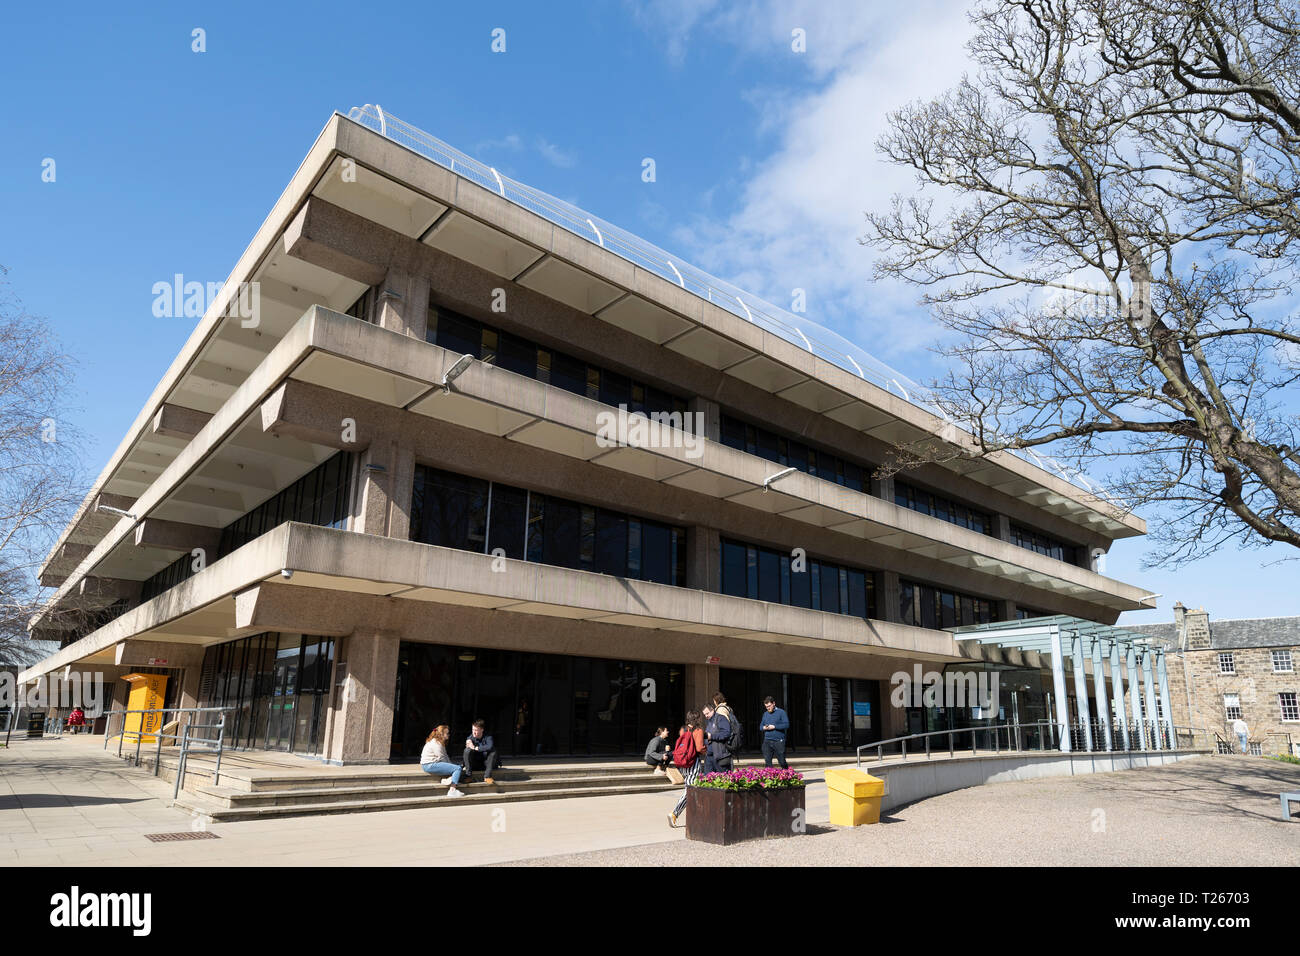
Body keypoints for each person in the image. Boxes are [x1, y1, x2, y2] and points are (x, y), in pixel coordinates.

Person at [668, 711, 706, 828]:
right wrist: (707, 750)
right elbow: (699, 748)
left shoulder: (684, 729)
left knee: (693, 789)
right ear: (697, 719)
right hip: (692, 763)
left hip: (682, 763)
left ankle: (696, 816)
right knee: (689, 791)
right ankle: (674, 813)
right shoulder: (698, 730)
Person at [420, 725, 466, 797]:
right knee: (457, 768)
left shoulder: (440, 743)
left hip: (432, 764)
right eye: (447, 733)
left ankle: (447, 780)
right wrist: (453, 767)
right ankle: (452, 790)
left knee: (456, 767)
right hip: (429, 765)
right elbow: (442, 758)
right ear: (441, 734)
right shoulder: (436, 743)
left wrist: (451, 766)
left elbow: (445, 756)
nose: (449, 735)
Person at [462, 719, 498, 784]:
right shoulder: (471, 737)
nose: (474, 732)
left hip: (486, 764)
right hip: (475, 764)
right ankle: (468, 776)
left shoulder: (488, 737)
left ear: (482, 730)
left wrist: (476, 748)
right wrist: (468, 743)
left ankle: (487, 777)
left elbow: (489, 746)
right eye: (473, 730)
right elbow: (468, 743)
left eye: (476, 730)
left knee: (493, 751)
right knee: (467, 750)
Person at [703, 699, 733, 774]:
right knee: (707, 780)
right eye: (704, 714)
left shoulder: (721, 718)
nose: (706, 716)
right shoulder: (709, 721)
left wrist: (712, 736)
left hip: (720, 756)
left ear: (712, 710)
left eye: (707, 713)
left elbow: (726, 733)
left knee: (722, 780)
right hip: (709, 757)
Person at [759, 696, 790, 768]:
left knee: (782, 761)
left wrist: (774, 726)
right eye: (766, 707)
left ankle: (787, 774)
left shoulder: (781, 712)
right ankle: (770, 777)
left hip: (778, 741)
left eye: (769, 706)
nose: (768, 708)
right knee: (768, 762)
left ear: (774, 703)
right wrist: (764, 727)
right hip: (767, 741)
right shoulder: (765, 714)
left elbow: (786, 725)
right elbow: (760, 727)